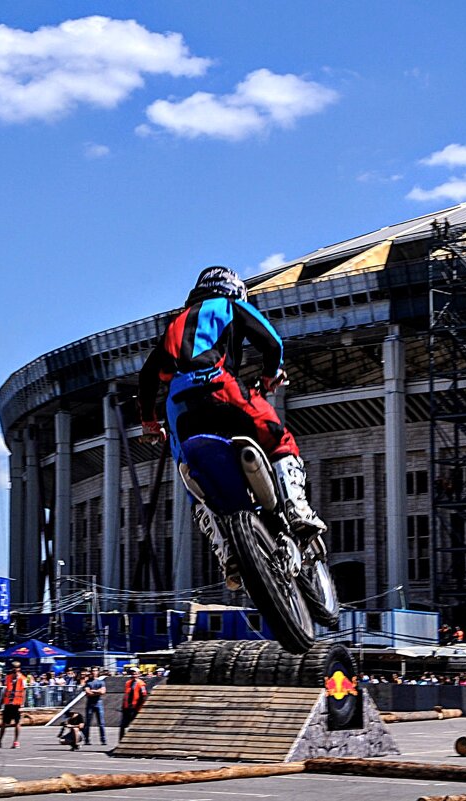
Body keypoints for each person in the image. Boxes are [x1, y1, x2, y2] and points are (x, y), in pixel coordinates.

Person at [137, 266, 326, 590]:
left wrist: (151, 424)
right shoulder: (227, 305)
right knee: (277, 437)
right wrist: (270, 375)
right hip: (217, 384)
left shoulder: (174, 326)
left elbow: (146, 378)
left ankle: (227, 552)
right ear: (233, 290)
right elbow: (271, 341)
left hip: (178, 407)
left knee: (194, 480)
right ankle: (297, 509)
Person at [0, 662, 27, 749]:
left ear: (19, 668)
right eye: (13, 667)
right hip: (8, 703)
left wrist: (22, 705)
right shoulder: (8, 677)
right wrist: (1, 703)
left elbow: (24, 692)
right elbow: (6, 691)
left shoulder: (23, 678)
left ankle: (16, 741)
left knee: (17, 723)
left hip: (17, 703)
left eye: (16, 668)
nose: (14, 669)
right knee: (4, 723)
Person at [118, 667, 147, 740]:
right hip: (126, 707)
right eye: (132, 674)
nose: (133, 675)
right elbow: (126, 695)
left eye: (135, 674)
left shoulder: (141, 684)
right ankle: (121, 741)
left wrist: (139, 708)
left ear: (138, 674)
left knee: (134, 726)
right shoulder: (128, 683)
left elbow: (143, 696)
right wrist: (123, 705)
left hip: (135, 708)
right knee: (123, 726)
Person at [82, 667, 107, 745]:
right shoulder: (88, 682)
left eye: (95, 671)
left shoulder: (101, 682)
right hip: (90, 703)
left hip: (98, 703)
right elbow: (88, 693)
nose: (93, 672)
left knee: (101, 723)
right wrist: (97, 692)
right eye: (92, 671)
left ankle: (103, 740)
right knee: (88, 722)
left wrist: (94, 691)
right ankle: (87, 739)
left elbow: (103, 692)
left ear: (98, 672)